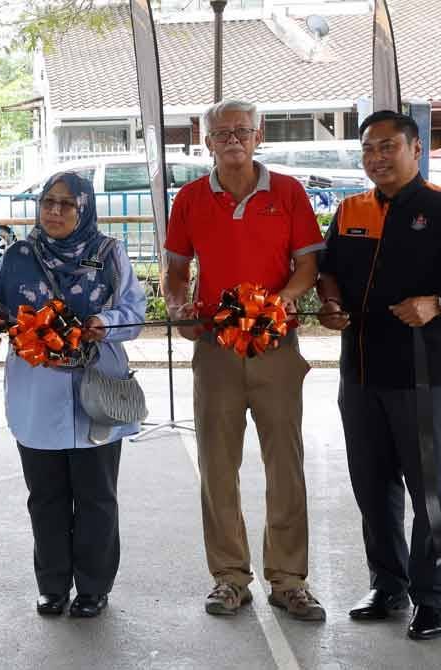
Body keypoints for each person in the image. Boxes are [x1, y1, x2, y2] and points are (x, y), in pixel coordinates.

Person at [163, 99, 326, 620]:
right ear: (205, 141)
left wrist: (276, 304)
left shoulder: (289, 193)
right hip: (214, 350)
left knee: (286, 465)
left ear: (259, 137)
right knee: (217, 465)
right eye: (221, 132)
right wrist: (177, 307)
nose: (232, 139)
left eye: (242, 131)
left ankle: (289, 579)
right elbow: (174, 272)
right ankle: (230, 577)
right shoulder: (189, 198)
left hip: (277, 347)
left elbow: (307, 269)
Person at [0, 171, 145, 618]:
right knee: (44, 498)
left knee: (96, 498)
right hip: (36, 397)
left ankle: (92, 588)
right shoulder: (18, 256)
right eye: (49, 201)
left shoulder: (109, 254)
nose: (55, 211)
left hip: (97, 395)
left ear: (85, 209)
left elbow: (134, 312)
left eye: (68, 204)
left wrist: (105, 323)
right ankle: (51, 586)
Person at [317, 110, 441, 641]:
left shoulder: (437, 208)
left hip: (423, 374)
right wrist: (329, 302)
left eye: (387, 147)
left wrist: (436, 302)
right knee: (373, 487)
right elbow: (327, 272)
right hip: (360, 372)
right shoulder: (350, 210)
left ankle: (431, 596)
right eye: (368, 149)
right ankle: (386, 583)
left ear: (415, 148)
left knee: (430, 493)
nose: (376, 158)